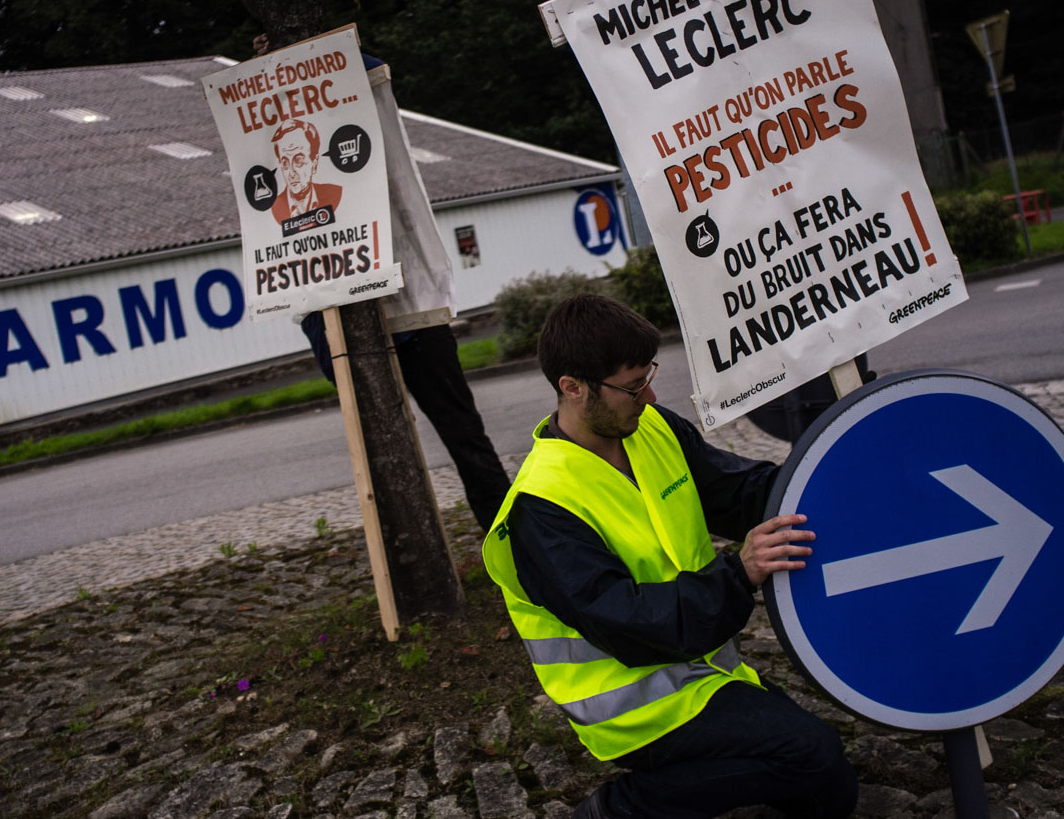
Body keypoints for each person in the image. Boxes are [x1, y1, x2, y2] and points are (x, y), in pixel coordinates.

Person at [482, 294, 857, 819]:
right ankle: (617, 811)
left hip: (697, 669)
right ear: (572, 387)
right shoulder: (540, 508)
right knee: (809, 754)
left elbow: (735, 490)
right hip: (634, 708)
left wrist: (823, 480)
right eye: (633, 387)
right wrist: (741, 572)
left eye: (648, 377)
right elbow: (629, 622)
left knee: (831, 789)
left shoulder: (649, 425)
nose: (649, 394)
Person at [300, 311, 510, 532]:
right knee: (384, 458)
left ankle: (513, 541)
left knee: (465, 437)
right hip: (335, 325)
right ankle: (409, 552)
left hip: (414, 316)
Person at [269, 118, 342, 224]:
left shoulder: (335, 193)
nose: (291, 173)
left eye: (298, 161)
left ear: (314, 164)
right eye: (285, 163)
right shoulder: (273, 208)